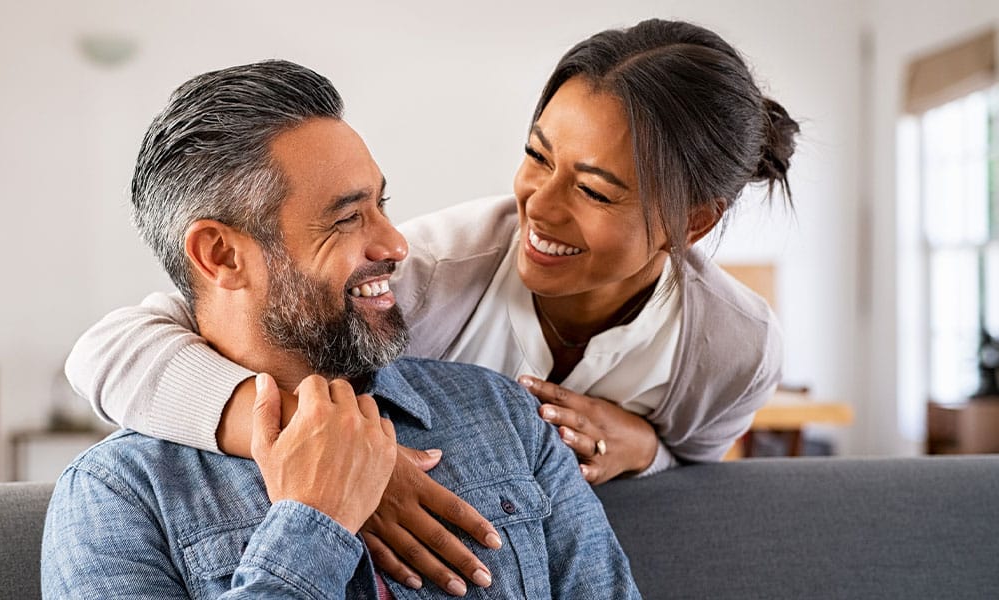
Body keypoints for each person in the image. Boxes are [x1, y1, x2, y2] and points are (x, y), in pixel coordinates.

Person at [67, 18, 796, 592]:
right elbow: (119, 346)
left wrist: (646, 448)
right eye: (536, 156)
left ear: (691, 223)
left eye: (595, 190)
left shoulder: (728, 348)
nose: (538, 207)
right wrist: (325, 457)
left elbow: (692, 467)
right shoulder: (429, 272)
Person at [42, 59, 639, 599]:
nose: (396, 244)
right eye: (348, 218)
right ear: (221, 255)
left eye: (382, 205)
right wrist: (313, 522)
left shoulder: (504, 415)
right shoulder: (118, 495)